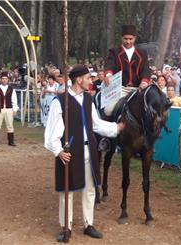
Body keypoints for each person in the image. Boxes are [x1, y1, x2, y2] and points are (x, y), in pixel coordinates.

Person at [44, 65, 125, 242]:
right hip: (70, 152)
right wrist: (58, 151)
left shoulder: (88, 100)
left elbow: (95, 124)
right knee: (68, 191)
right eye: (88, 78)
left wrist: (115, 128)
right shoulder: (60, 101)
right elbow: (52, 132)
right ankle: (67, 227)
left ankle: (89, 224)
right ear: (79, 79)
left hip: (90, 150)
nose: (91, 81)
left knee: (89, 190)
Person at [104, 25, 150, 115]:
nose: (128, 41)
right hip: (120, 89)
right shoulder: (114, 51)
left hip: (138, 89)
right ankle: (109, 128)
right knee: (108, 111)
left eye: (130, 39)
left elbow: (146, 70)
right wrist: (108, 75)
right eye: (125, 39)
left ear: (135, 38)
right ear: (121, 38)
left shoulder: (142, 53)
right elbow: (110, 64)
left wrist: (144, 82)